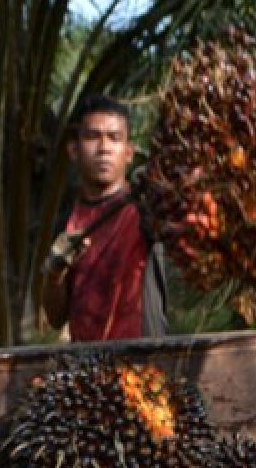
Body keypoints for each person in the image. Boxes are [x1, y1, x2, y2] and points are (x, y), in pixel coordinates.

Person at [42, 95, 166, 342]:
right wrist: (54, 274)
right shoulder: (67, 221)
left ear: (129, 152)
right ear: (74, 150)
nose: (104, 148)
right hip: (89, 368)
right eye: (92, 137)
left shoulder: (146, 208)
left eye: (114, 138)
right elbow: (56, 319)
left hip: (144, 365)